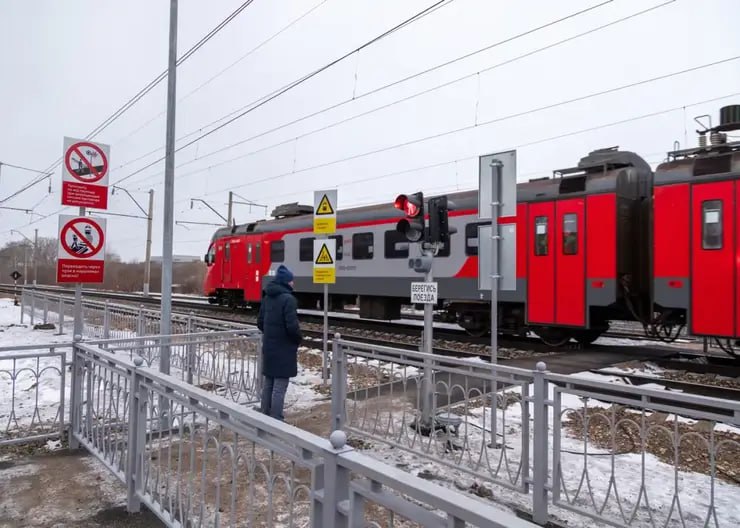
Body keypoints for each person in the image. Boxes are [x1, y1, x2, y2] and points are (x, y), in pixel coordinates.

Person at [257, 264, 301, 421]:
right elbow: (292, 326)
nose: (293, 283)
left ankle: (265, 415)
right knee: (280, 386)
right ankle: (276, 419)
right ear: (286, 282)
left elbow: (260, 322)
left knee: (269, 382)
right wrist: (297, 339)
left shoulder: (267, 297)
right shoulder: (289, 299)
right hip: (284, 348)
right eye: (291, 281)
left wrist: (270, 335)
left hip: (269, 347)